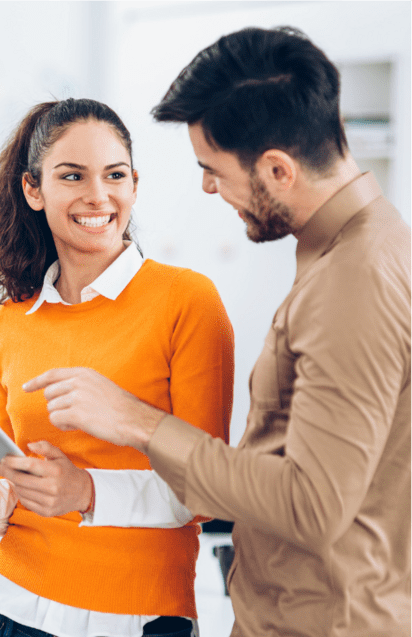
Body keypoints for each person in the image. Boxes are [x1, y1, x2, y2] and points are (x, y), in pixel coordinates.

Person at [23, 28, 410, 637]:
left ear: (278, 169)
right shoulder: (364, 247)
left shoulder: (351, 281)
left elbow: (313, 505)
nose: (208, 188)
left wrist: (138, 421)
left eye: (213, 170)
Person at [0, 98, 234, 637]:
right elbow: (10, 497)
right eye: (72, 176)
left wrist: (85, 491)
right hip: (0, 610)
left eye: (115, 175)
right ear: (34, 190)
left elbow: (208, 490)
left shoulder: (188, 301)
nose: (98, 196)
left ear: (134, 185)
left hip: (133, 617)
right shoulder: (7, 325)